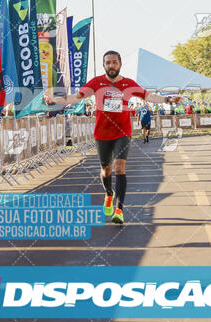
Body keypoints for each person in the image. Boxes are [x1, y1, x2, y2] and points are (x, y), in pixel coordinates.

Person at [45, 50, 185, 225]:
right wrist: (55, 99)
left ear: (120, 64)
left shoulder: (128, 84)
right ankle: (109, 194)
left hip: (122, 132)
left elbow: (149, 96)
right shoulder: (96, 82)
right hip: (102, 132)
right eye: (108, 63)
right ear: (104, 65)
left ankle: (119, 209)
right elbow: (75, 97)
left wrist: (168, 99)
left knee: (120, 168)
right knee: (106, 169)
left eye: (114, 62)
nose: (111, 66)